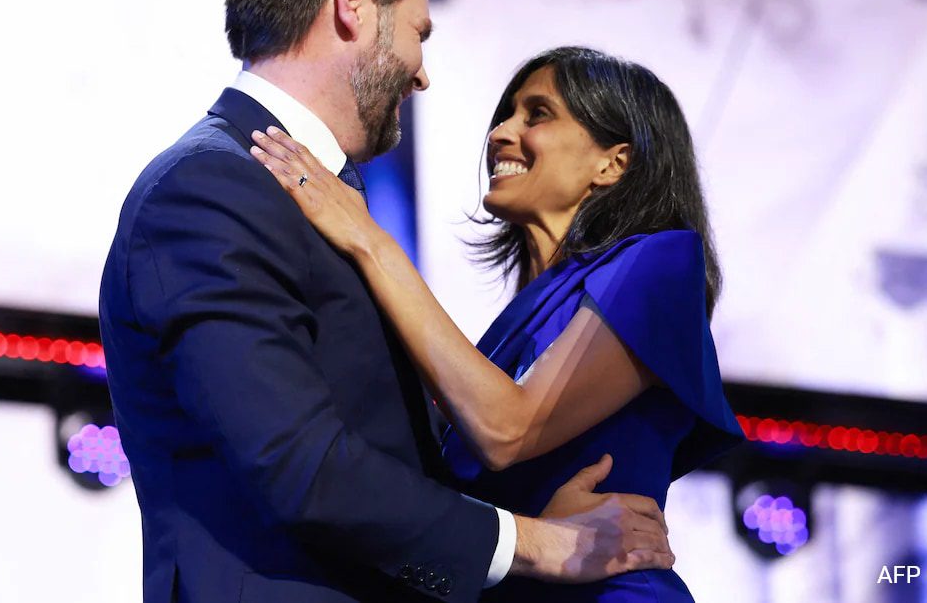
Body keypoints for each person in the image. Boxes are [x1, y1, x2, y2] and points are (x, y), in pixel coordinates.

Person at [98, 0, 675, 603]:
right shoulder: (208, 189)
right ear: (353, 2)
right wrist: (543, 545)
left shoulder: (295, 198)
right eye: (418, 33)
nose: (421, 71)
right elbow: (303, 469)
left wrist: (521, 535)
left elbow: (383, 475)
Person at [248, 46, 745, 602]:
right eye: (507, 114)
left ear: (613, 163)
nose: (501, 133)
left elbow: (508, 430)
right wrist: (541, 531)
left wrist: (369, 240)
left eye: (537, 115)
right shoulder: (504, 337)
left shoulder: (661, 262)